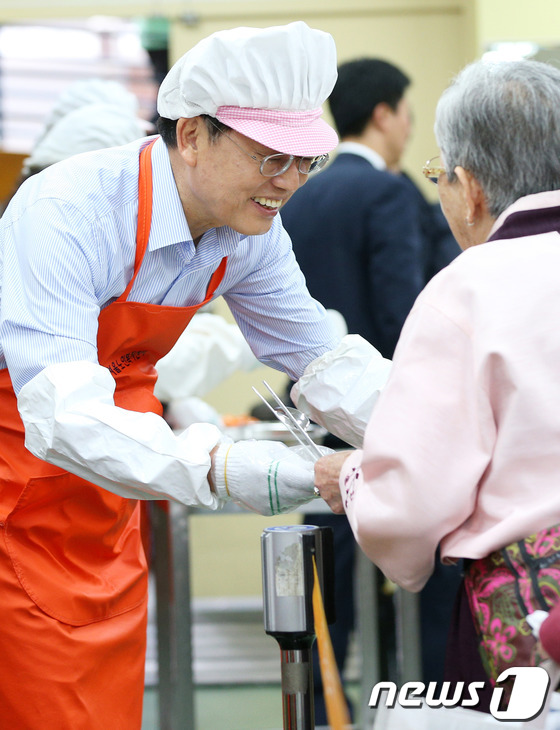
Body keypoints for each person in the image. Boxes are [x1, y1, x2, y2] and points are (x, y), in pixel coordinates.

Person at [0, 22, 393, 728]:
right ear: (191, 135)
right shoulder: (67, 212)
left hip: (105, 508)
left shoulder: (250, 234)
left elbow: (322, 358)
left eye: (307, 163)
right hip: (15, 505)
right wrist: (234, 467)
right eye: (273, 158)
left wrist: (432, 438)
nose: (290, 184)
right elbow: (63, 416)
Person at [314, 57, 560, 716]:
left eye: (440, 177)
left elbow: (415, 501)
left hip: (532, 616)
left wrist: (359, 479)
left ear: (471, 187)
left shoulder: (470, 287)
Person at [280, 57, 461, 722]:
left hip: (315, 431)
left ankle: (329, 717)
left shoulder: (302, 195)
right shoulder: (389, 193)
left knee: (327, 620)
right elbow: (401, 319)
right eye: (408, 113)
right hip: (385, 430)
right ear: (384, 113)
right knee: (419, 612)